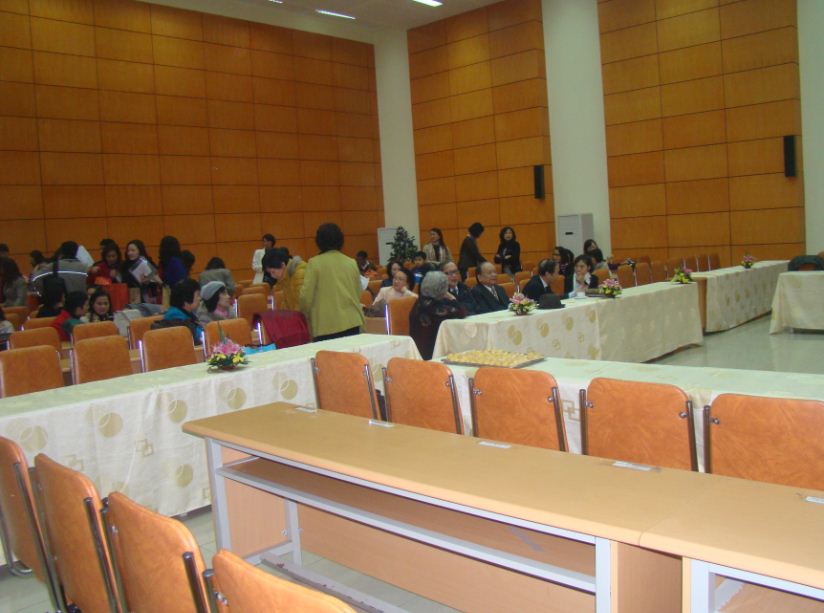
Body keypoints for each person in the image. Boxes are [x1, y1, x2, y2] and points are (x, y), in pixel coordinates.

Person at [299, 223, 364, 341]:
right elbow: (358, 292)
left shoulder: (314, 263)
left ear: (319, 241)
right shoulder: (351, 262)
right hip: (352, 321)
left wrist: (304, 314)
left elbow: (306, 298)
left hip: (325, 325)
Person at [409, 271, 467, 360]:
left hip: (418, 349)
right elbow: (461, 312)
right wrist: (452, 298)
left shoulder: (420, 302)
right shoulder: (436, 307)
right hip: (431, 352)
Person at [121, 239, 160, 303]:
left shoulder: (147, 263)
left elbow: (156, 281)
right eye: (128, 251)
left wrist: (148, 280)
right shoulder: (125, 265)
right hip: (130, 296)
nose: (130, 253)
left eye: (133, 250)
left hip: (146, 296)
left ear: (140, 251)